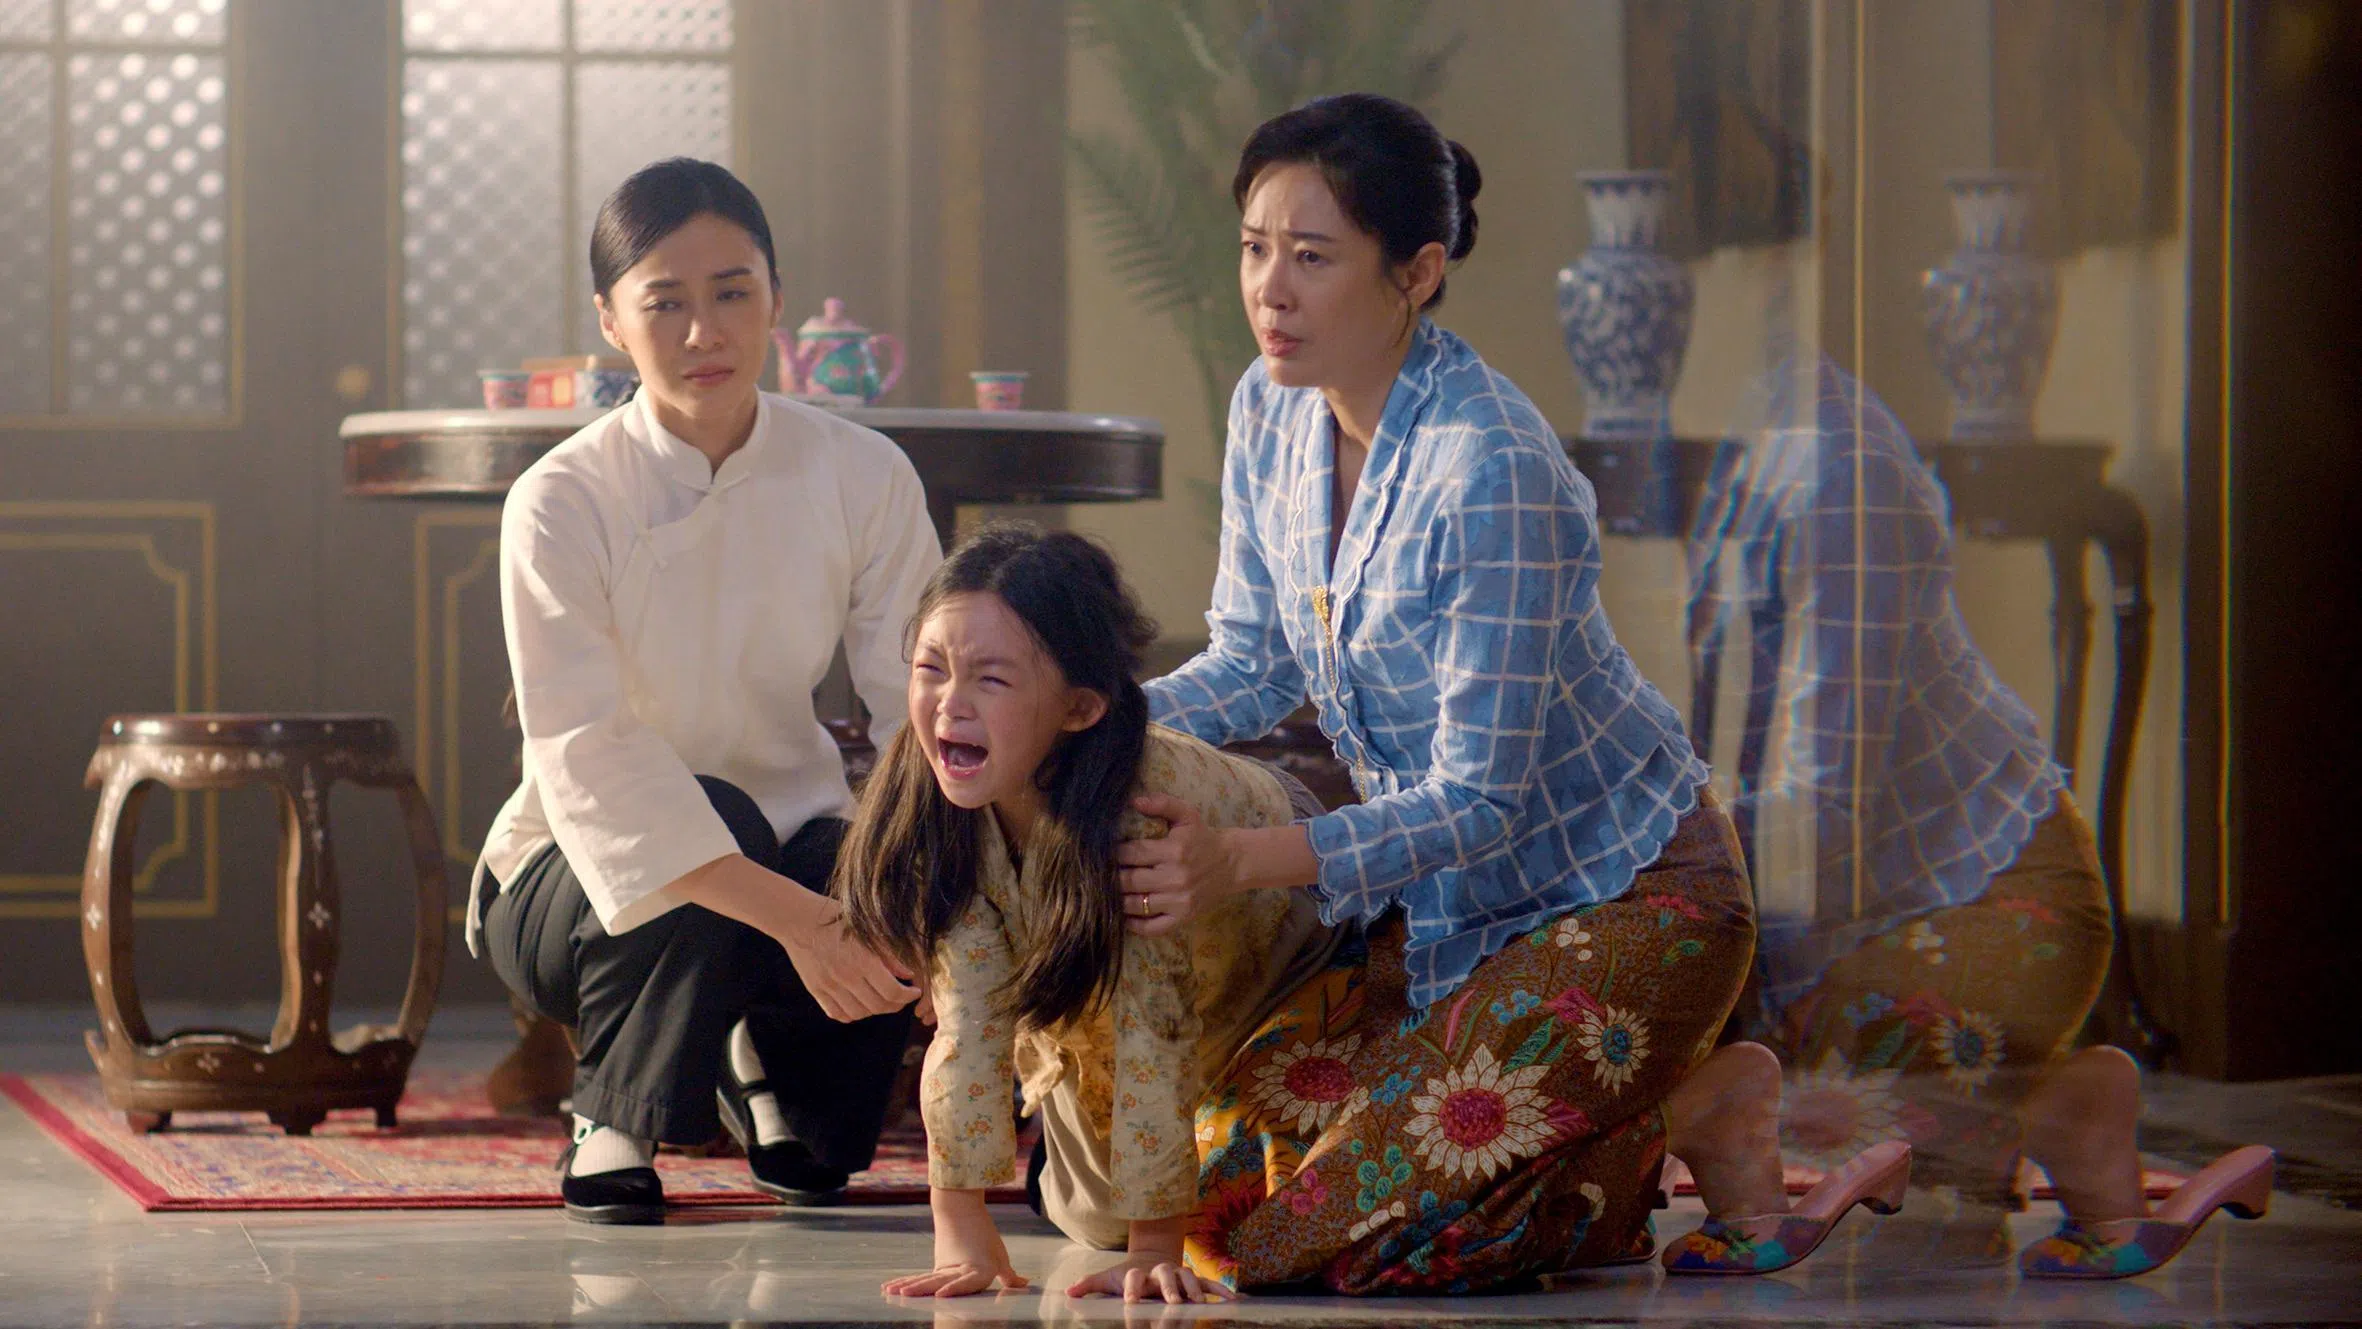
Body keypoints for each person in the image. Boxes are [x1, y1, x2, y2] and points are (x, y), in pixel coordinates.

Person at [1109, 93, 1905, 1295]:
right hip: (1449, 916)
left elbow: (1479, 801)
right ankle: (1636, 1117)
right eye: (1254, 248)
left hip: (1631, 896)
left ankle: (1692, 1105)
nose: (1269, 289)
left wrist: (1238, 861)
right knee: (1216, 1187)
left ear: (1417, 272)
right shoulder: (1267, 407)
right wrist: (1092, 728)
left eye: (1312, 257)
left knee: (1312, 1246)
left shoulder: (1491, 465)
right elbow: (1254, 659)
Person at [1687, 354, 2274, 1278]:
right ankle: (2068, 1108)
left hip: (1998, 900)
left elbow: (1830, 788)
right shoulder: (1764, 434)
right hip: (1884, 898)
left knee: (1853, 1115)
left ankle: (2036, 1127)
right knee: (1753, 1034)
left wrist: (1753, 963)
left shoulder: (1846, 478)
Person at [468, 157, 940, 1224]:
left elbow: (918, 704)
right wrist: (807, 926)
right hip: (569, 882)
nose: (703, 332)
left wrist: (922, 883)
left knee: (879, 870)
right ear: (609, 320)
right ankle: (612, 1118)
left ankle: (764, 1073)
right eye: (664, 303)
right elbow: (589, 759)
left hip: (792, 846)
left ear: (777, 297)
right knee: (708, 815)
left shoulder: (862, 472)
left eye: (732, 293)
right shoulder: (560, 498)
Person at [838, 526, 1346, 1305]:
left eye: (991, 679)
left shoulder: (1143, 814)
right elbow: (968, 1015)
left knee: (1261, 1225)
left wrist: (1154, 1251)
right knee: (1094, 1215)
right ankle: (1086, 1158)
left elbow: (1154, 1024)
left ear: (1078, 707)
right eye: (930, 669)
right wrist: (959, 1225)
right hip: (1119, 1003)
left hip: (1288, 970)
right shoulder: (944, 793)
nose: (950, 703)